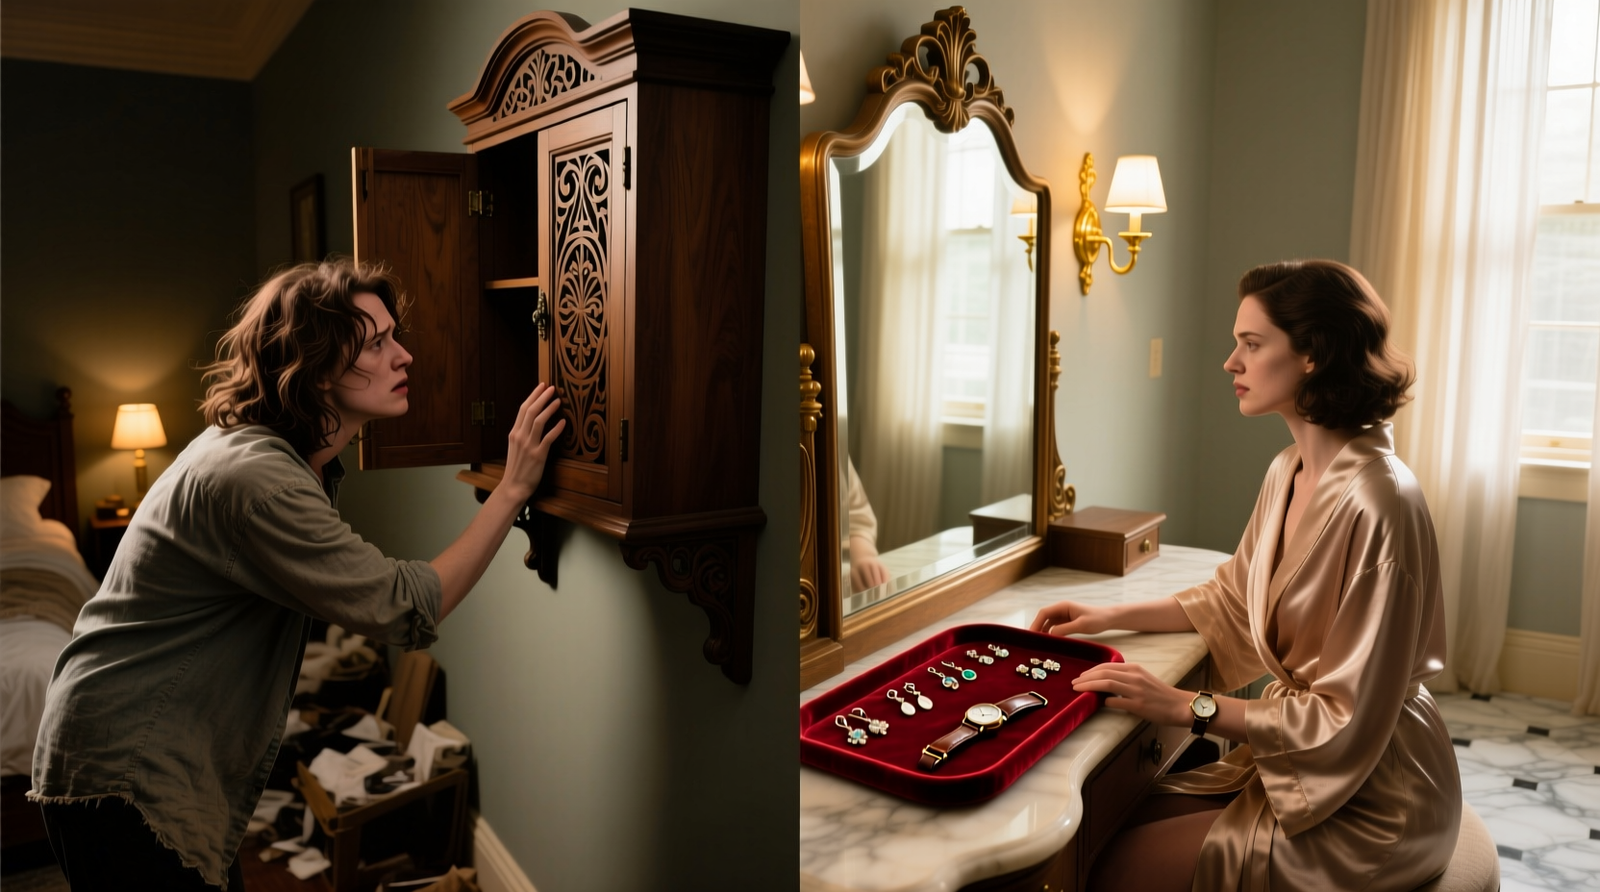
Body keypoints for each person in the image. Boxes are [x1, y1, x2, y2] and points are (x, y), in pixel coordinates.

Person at [30, 259, 565, 891]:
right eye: (376, 343)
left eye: (395, 335)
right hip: (128, 767)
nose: (404, 357)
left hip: (129, 753)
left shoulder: (266, 452)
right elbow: (404, 606)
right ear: (312, 366)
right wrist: (512, 489)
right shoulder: (257, 479)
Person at [1030, 260, 1460, 891]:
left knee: (1112, 869)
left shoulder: (1381, 502)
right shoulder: (1288, 470)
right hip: (1302, 764)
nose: (1231, 362)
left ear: (1313, 354)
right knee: (1098, 824)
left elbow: (1347, 717)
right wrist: (1107, 615)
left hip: (1376, 795)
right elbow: (1234, 595)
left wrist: (1186, 705)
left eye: (1251, 345)